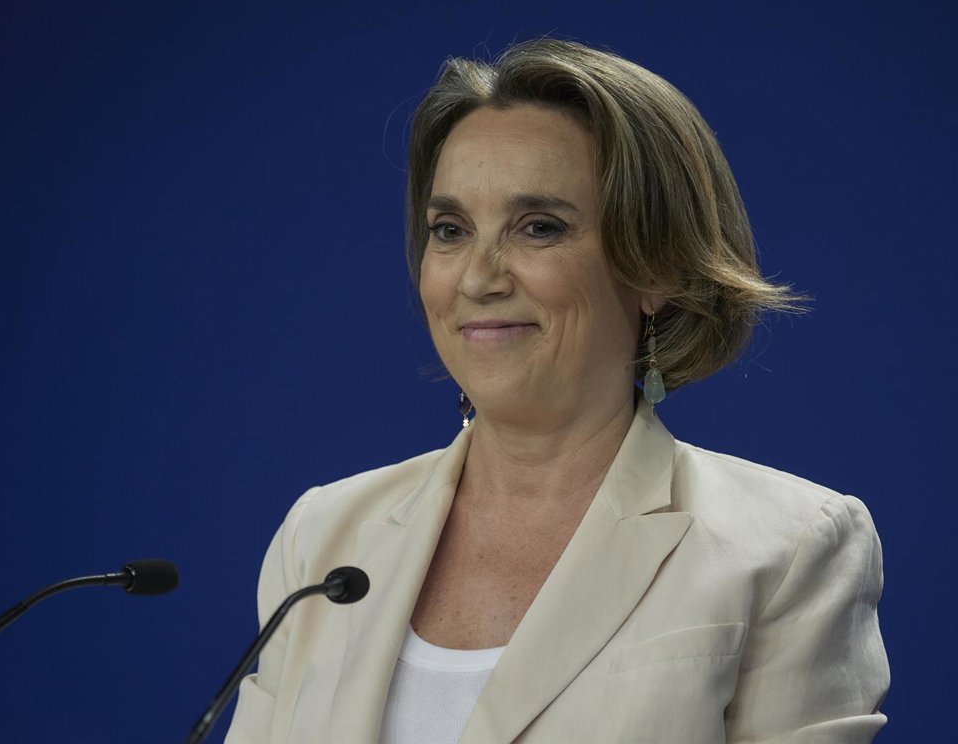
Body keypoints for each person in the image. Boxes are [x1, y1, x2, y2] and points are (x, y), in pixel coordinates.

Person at [224, 39, 889, 743]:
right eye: (450, 230)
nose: (477, 277)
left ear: (657, 268)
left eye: (538, 228)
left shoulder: (791, 548)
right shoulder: (322, 536)